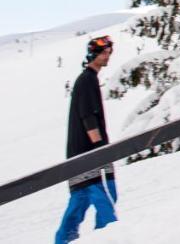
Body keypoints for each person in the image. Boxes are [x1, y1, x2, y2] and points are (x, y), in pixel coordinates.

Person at [55, 35, 118, 244]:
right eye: (103, 52)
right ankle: (107, 238)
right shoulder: (87, 80)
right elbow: (88, 117)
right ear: (93, 54)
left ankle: (63, 241)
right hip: (90, 154)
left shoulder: (88, 80)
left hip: (77, 155)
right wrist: (100, 149)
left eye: (109, 51)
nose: (107, 55)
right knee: (106, 199)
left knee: (79, 201)